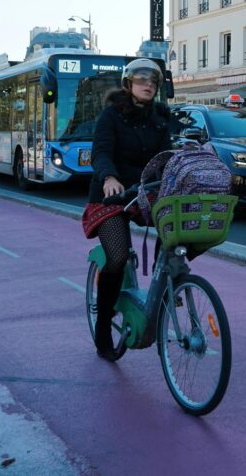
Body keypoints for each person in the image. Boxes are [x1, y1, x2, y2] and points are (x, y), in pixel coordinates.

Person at [81, 59, 173, 358]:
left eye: (154, 82)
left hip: (144, 192)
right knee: (118, 256)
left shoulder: (160, 117)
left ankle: (169, 282)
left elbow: (165, 156)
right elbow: (101, 152)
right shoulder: (111, 116)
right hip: (112, 196)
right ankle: (105, 323)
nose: (149, 85)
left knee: (178, 232)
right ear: (128, 84)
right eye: (143, 79)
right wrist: (108, 177)